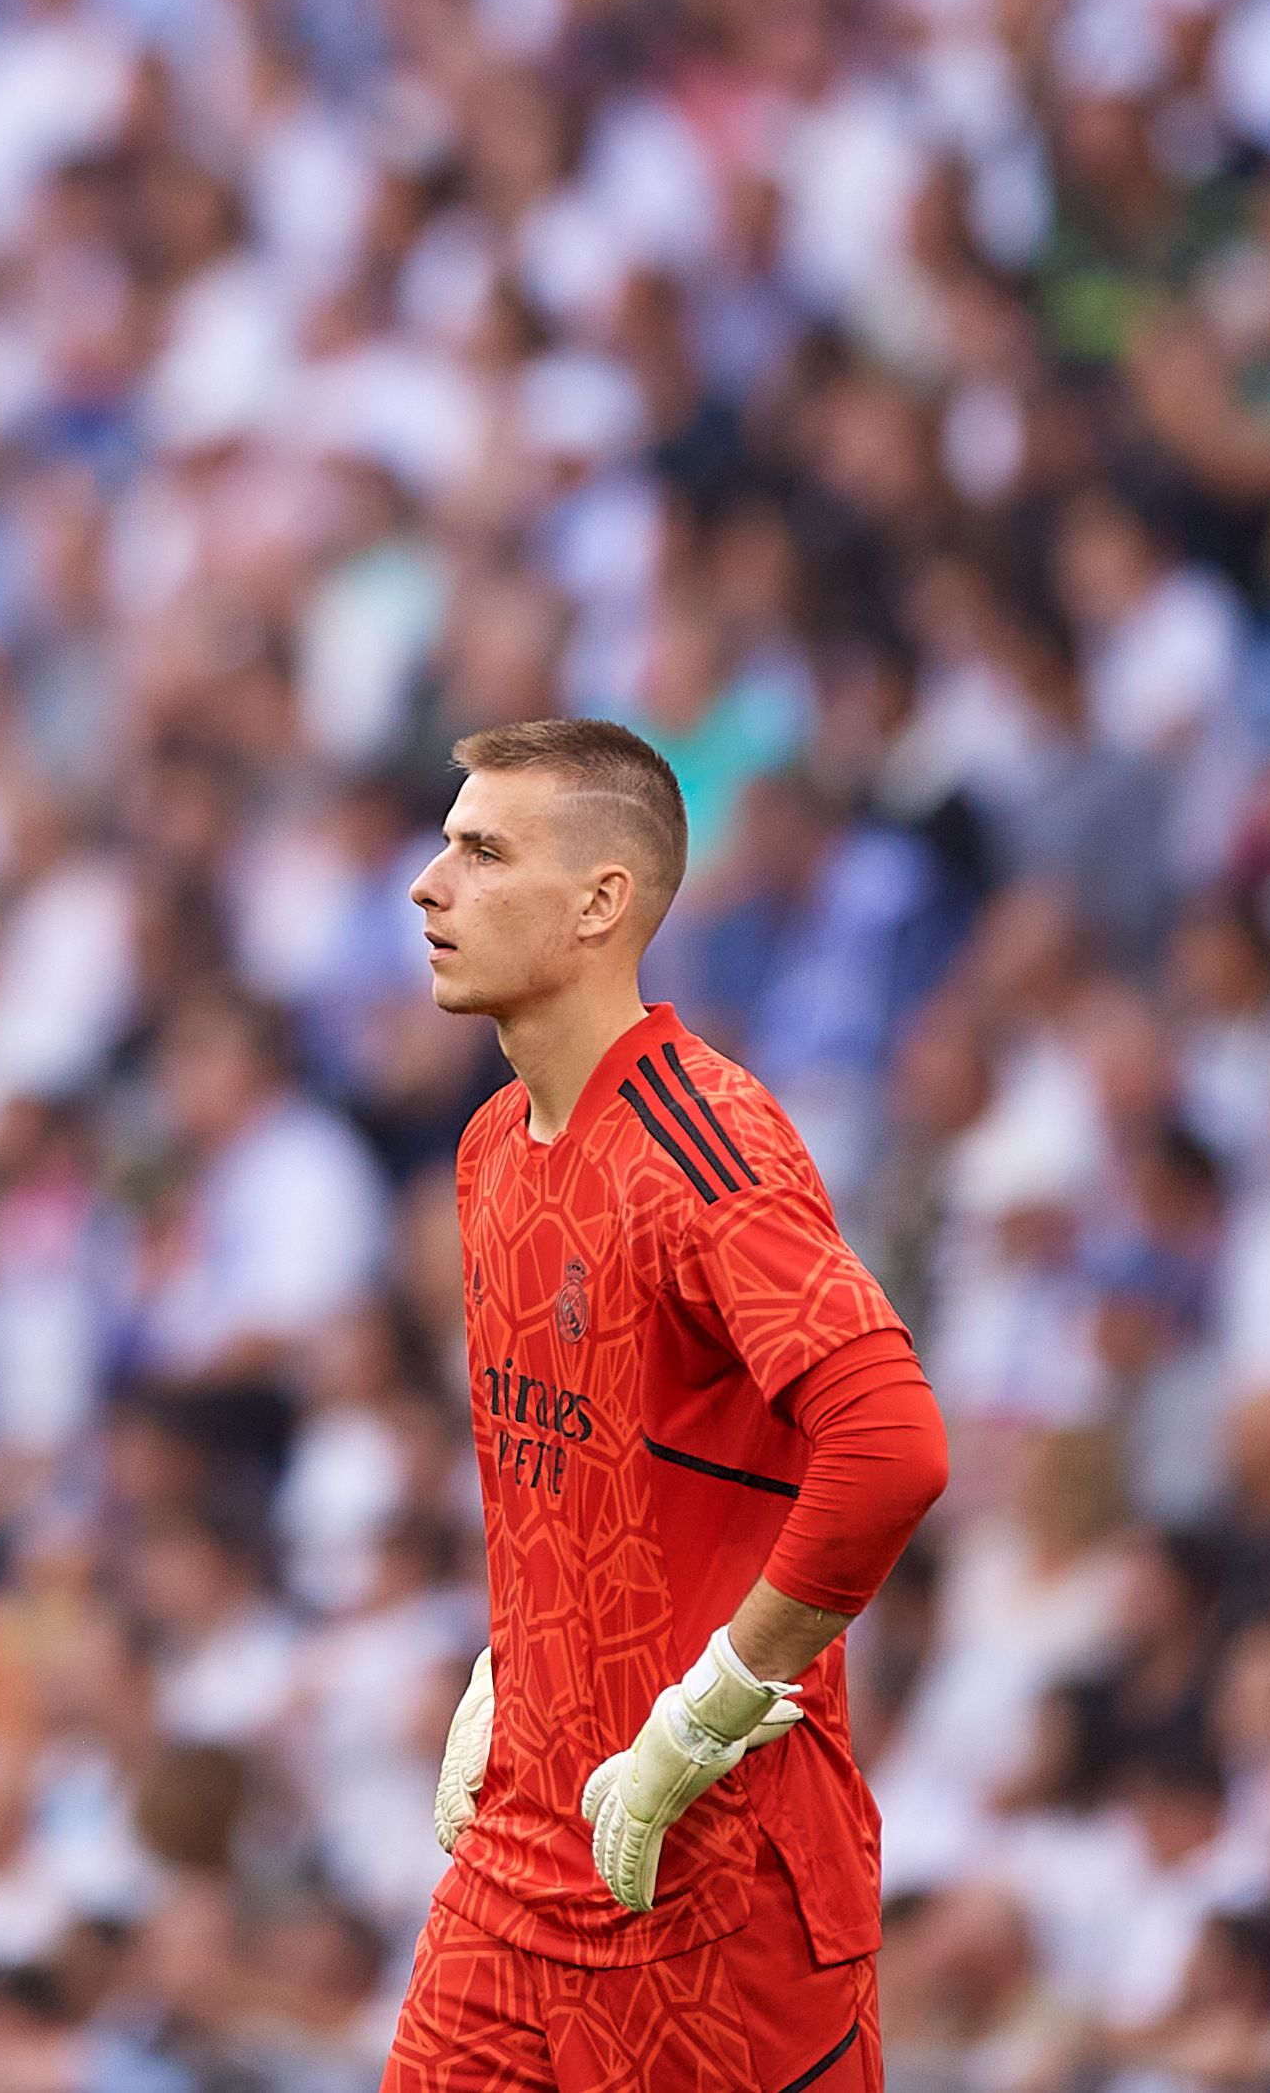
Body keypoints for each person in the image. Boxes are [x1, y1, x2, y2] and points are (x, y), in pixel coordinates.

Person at [387, 719, 951, 2092]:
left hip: (711, 1875)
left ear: (600, 904)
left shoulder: (707, 1144)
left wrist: (709, 1711)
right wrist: (506, 1667)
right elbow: (589, 1465)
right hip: (522, 1861)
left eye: (481, 850)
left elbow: (890, 1447)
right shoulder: (488, 1152)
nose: (428, 883)